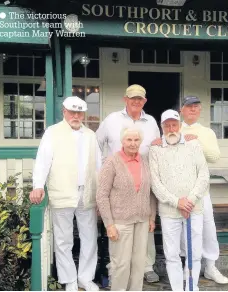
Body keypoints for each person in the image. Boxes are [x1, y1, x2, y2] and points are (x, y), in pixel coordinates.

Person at [29, 96, 102, 291]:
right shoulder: (52, 133)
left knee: (89, 237)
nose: (76, 115)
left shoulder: (90, 135)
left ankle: (85, 278)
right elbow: (42, 161)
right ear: (64, 111)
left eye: (79, 112)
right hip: (62, 192)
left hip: (87, 193)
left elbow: (99, 166)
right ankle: (69, 279)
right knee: (63, 239)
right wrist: (38, 185)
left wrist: (101, 193)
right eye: (72, 111)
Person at [96, 84, 160, 283]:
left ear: (145, 101)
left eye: (140, 98)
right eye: (132, 98)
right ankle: (115, 269)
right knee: (120, 241)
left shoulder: (150, 122)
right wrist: (105, 169)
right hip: (119, 181)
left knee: (144, 232)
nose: (136, 101)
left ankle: (147, 266)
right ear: (125, 99)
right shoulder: (112, 119)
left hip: (143, 178)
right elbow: (97, 144)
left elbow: (157, 148)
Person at [149, 109, 210, 291]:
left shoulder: (194, 144)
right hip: (169, 211)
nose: (171, 128)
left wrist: (189, 200)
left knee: (195, 252)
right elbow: (155, 182)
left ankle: (191, 287)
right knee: (171, 254)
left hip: (194, 208)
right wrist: (177, 202)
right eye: (167, 125)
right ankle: (177, 288)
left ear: (180, 126)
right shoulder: (155, 148)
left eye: (174, 124)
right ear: (162, 127)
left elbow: (204, 174)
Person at [179, 96, 228, 284]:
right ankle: (189, 267)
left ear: (200, 110)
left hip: (201, 190)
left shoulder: (206, 132)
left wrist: (197, 142)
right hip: (180, 191)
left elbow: (214, 156)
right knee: (185, 229)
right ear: (181, 109)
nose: (192, 110)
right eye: (189, 106)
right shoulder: (174, 128)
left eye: (196, 107)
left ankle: (210, 266)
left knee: (208, 227)